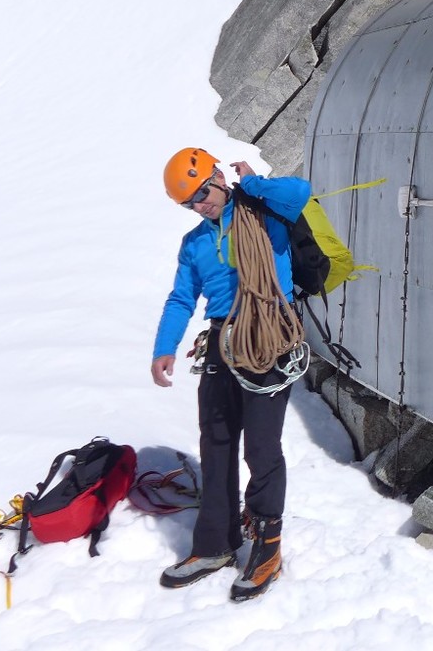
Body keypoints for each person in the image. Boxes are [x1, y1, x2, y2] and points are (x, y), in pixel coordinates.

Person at [152, 147, 310, 601]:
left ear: (218, 177)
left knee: (261, 448)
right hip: (223, 342)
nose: (200, 204)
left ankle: (268, 545)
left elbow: (299, 192)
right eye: (189, 202)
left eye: (202, 192)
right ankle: (215, 544)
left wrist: (255, 183)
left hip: (268, 340)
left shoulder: (265, 214)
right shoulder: (195, 243)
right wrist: (165, 347)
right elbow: (182, 298)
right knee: (216, 442)